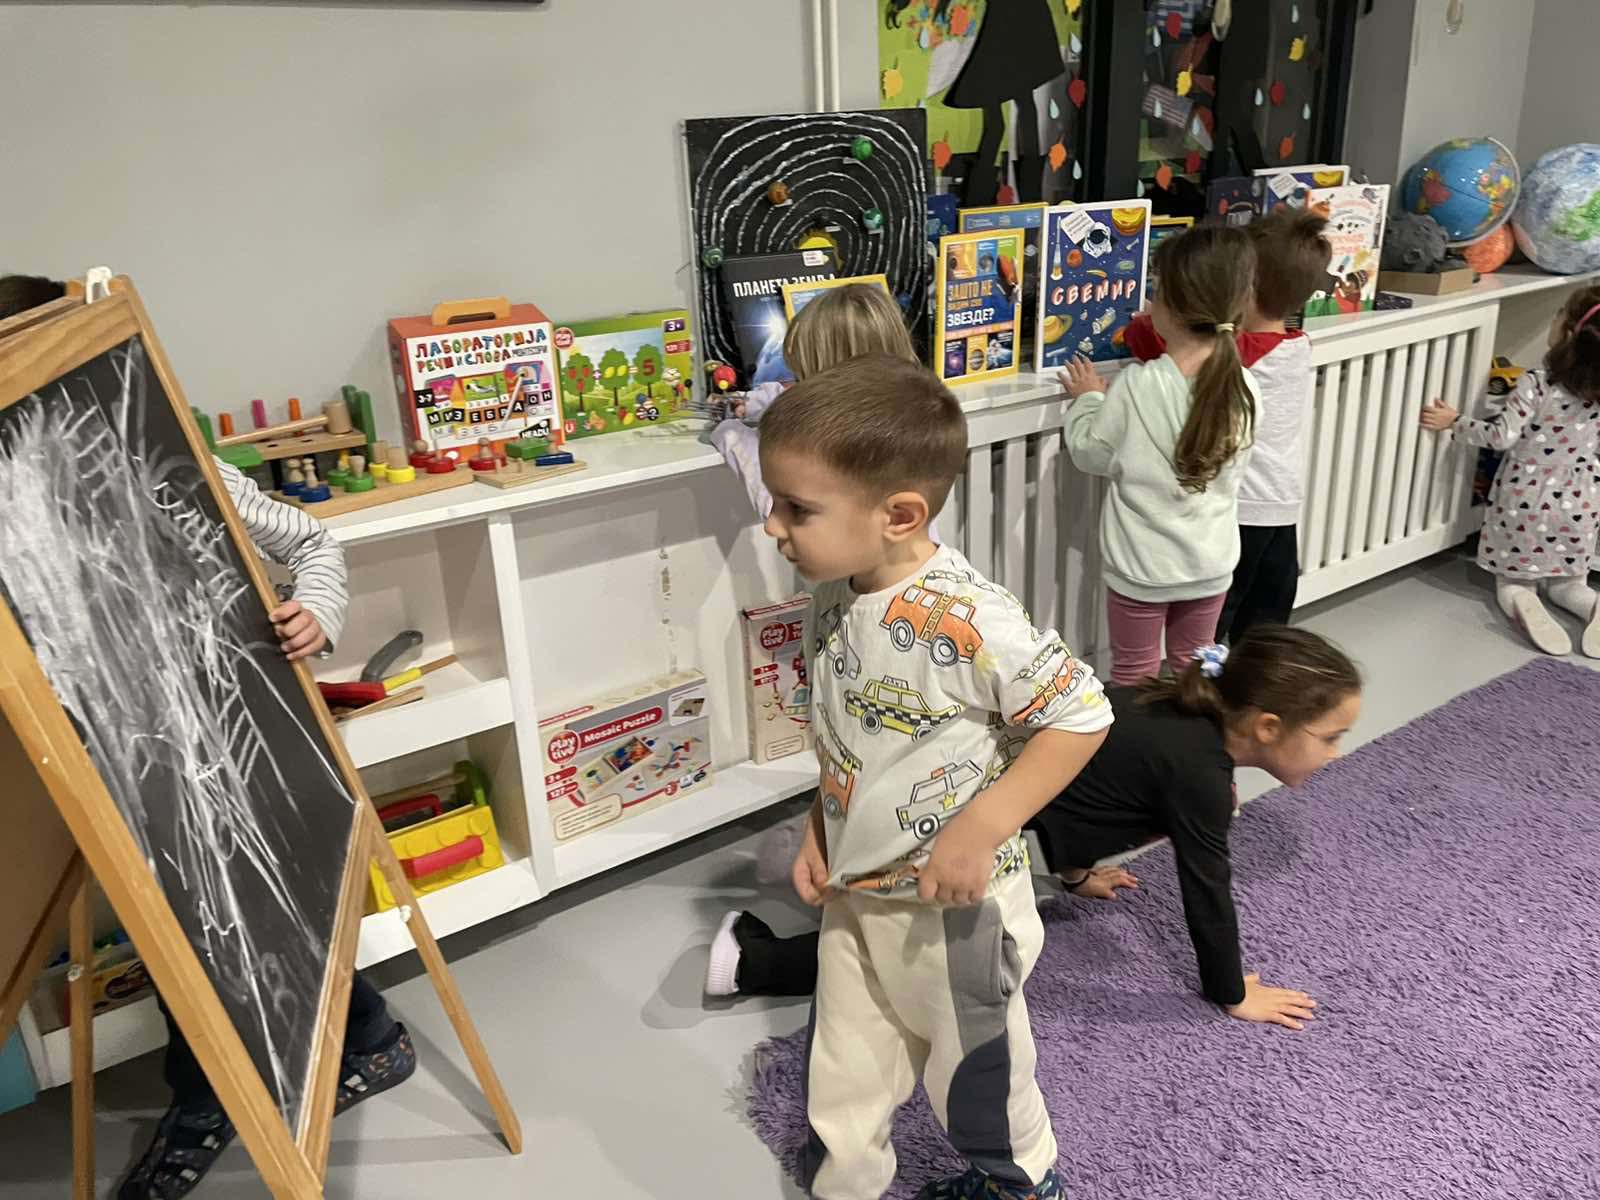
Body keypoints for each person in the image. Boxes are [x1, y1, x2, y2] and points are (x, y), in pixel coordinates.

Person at [0, 275, 417, 1199]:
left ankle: (219, 1097)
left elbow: (310, 542)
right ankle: (354, 1041)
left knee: (240, 919)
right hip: (113, 770)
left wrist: (315, 613)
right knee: (192, 930)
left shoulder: (172, 468)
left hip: (234, 740)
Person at [759, 354, 1112, 1200]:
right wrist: (819, 827)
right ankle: (846, 1184)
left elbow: (1081, 714)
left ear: (899, 514)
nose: (773, 526)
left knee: (975, 1070)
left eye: (797, 508)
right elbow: (846, 730)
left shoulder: (971, 618)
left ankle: (1017, 1183)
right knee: (844, 1064)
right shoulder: (835, 591)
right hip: (857, 888)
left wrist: (981, 828)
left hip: (953, 909)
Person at [710, 625, 1362, 1035]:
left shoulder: (1176, 711)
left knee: (899, 899)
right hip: (966, 814)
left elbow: (1093, 794)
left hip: (962, 782)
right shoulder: (1201, 776)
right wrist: (1233, 991)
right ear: (1268, 727)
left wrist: (1076, 877)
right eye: (1330, 737)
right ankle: (746, 963)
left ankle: (828, 857)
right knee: (912, 945)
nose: (1336, 753)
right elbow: (1207, 890)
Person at [1057, 224, 1261, 685]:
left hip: (1142, 567)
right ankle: (1201, 725)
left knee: (1135, 672)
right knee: (1198, 666)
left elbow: (1090, 453)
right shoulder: (1246, 388)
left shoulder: (1137, 386)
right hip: (1211, 564)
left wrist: (1087, 400)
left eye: (1155, 292)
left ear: (1169, 308)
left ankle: (1139, 734)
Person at [1125, 209, 1333, 640]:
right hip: (1282, 507)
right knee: (1265, 621)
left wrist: (1151, 317)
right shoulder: (1297, 345)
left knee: (1215, 620)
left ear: (1245, 291)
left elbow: (1153, 344)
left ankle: (1211, 678)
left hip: (1242, 511)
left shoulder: (1241, 351)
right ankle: (1260, 675)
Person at [1421, 285, 1600, 656]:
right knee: (1569, 584)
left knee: (1514, 581)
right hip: (1581, 500)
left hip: (1525, 498)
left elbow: (1501, 436)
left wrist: (1455, 421)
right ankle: (1592, 607)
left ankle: (1522, 599)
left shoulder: (1537, 384)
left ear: (1568, 333)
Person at [709, 282, 920, 521]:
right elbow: (802, 398)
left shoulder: (840, 442)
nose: (800, 382)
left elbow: (782, 510)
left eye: (805, 374)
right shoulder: (903, 413)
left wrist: (731, 435)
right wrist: (756, 401)